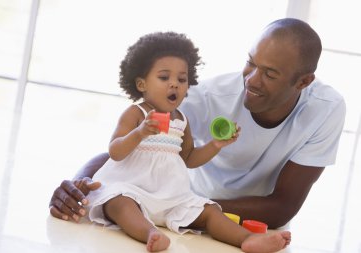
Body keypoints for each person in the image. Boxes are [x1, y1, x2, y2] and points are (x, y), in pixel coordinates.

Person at [49, 18, 346, 231]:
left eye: (269, 74)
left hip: (229, 219)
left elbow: (282, 207)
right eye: (250, 62)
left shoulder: (325, 110)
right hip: (182, 208)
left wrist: (186, 208)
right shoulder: (208, 98)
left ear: (304, 82)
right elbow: (133, 146)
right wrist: (80, 183)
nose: (251, 81)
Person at [71, 32, 291, 252]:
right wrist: (139, 132)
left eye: (181, 79)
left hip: (170, 195)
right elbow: (115, 152)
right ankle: (150, 233)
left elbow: (188, 158)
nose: (174, 84)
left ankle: (247, 239)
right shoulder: (136, 113)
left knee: (208, 211)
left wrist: (215, 145)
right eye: (164, 78)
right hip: (132, 189)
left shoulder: (181, 120)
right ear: (141, 84)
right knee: (119, 203)